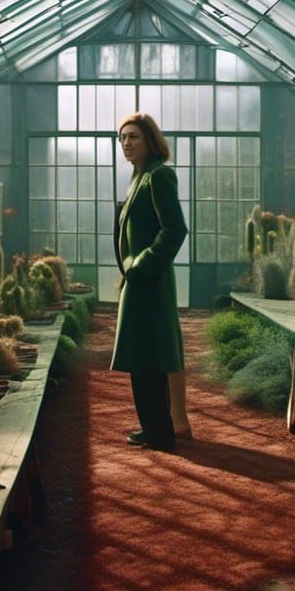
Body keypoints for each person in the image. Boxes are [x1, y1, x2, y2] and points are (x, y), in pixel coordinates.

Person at [110, 113, 189, 450]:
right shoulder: (139, 177)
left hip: (150, 281)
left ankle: (160, 432)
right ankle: (154, 428)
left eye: (134, 137)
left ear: (150, 141)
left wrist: (141, 265)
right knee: (142, 356)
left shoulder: (159, 175)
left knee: (150, 355)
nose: (126, 143)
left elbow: (175, 230)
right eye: (123, 138)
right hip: (139, 280)